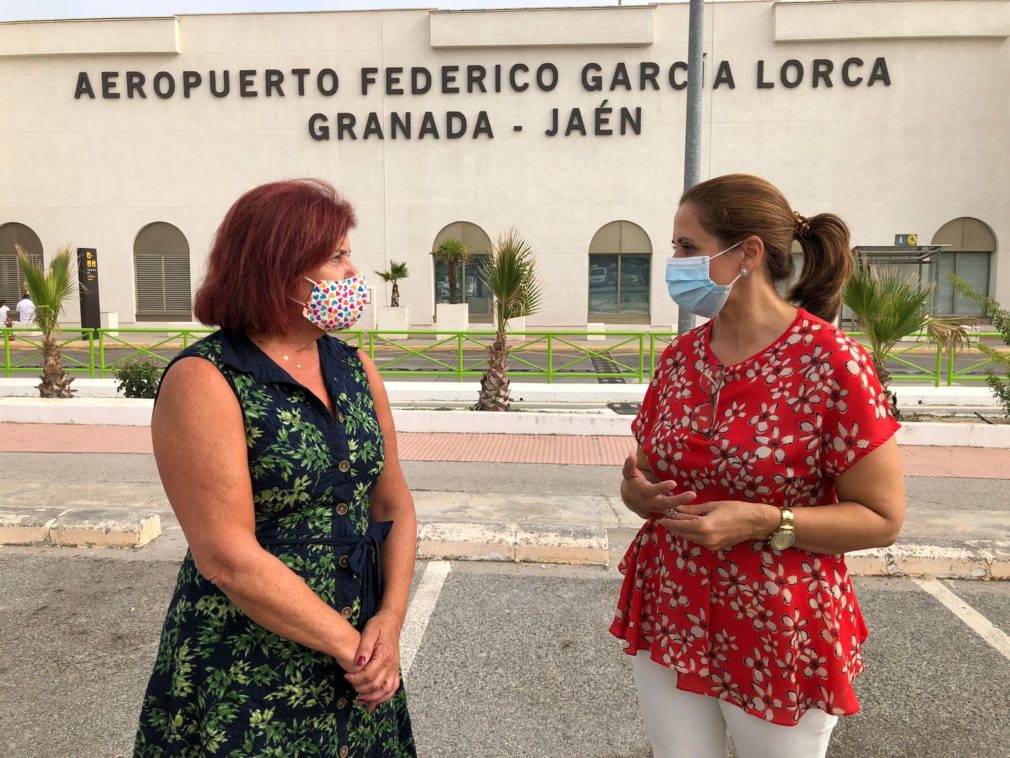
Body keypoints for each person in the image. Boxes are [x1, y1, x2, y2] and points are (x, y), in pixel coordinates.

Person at [611, 174, 905, 758]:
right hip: (674, 608)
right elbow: (643, 472)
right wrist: (636, 496)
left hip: (778, 621)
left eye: (688, 248)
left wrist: (766, 521)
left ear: (748, 252)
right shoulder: (678, 358)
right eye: (675, 248)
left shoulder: (832, 362)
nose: (674, 263)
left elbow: (882, 517)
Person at [134, 179, 416, 756]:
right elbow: (228, 558)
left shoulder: (356, 366)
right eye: (336, 256)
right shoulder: (205, 379)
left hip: (361, 660)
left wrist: (389, 620)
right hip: (250, 667)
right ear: (278, 267)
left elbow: (394, 506)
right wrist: (352, 647)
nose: (351, 272)